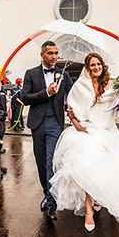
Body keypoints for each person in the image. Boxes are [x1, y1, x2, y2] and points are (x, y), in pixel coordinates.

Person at [49, 52, 119, 231]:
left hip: (107, 131)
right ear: (87, 67)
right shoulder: (80, 86)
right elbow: (72, 111)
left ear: (102, 65)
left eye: (98, 64)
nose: (96, 67)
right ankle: (89, 210)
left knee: (113, 167)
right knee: (88, 167)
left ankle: (98, 197)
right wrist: (77, 126)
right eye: (92, 65)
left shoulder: (113, 84)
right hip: (86, 130)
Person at [21, 41, 73, 221]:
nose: (54, 56)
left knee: (51, 161)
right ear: (42, 54)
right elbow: (25, 98)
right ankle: (47, 193)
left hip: (55, 124)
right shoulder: (31, 74)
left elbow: (76, 96)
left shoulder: (64, 75)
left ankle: (52, 203)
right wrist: (46, 92)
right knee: (41, 161)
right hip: (37, 124)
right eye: (50, 53)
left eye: (56, 53)